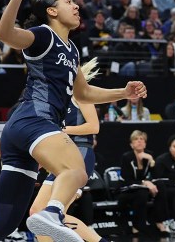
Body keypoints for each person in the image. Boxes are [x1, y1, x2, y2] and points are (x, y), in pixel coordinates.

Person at [0, 0, 147, 242]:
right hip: (34, 120)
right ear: (51, 11)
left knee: (5, 220)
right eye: (67, 1)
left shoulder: (72, 50)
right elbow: (4, 33)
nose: (76, 5)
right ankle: (52, 215)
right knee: (76, 168)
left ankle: (44, 217)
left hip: (21, 130)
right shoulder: (42, 35)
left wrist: (123, 93)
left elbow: (84, 93)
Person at [29, 58, 105, 242]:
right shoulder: (56, 101)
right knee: (38, 212)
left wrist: (62, 130)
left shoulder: (81, 95)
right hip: (61, 156)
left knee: (51, 213)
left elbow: (94, 127)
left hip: (79, 154)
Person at [119, 130, 169, 236]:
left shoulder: (149, 155)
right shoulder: (127, 157)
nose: (139, 141)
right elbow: (126, 179)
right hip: (128, 189)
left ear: (145, 143)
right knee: (142, 192)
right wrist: (144, 183)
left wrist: (151, 160)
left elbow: (156, 176)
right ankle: (137, 226)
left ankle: (159, 222)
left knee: (160, 185)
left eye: (142, 139)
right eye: (136, 139)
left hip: (143, 188)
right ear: (131, 144)